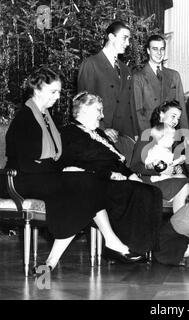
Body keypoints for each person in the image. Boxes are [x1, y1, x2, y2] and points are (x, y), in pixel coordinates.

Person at [1, 67, 138, 271]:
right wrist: (64, 172)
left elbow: (55, 159)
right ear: (37, 90)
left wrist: (68, 169)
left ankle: (50, 264)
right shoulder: (24, 118)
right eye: (53, 92)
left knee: (88, 186)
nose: (57, 97)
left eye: (59, 92)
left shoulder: (47, 119)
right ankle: (110, 241)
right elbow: (24, 161)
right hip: (21, 178)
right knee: (86, 184)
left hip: (42, 177)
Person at [60, 92, 164, 256]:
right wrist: (110, 174)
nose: (102, 116)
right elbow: (79, 163)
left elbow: (117, 161)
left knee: (153, 191)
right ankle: (122, 249)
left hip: (115, 179)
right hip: (96, 183)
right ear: (84, 110)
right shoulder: (69, 133)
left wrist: (132, 175)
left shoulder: (100, 134)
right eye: (99, 110)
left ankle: (145, 248)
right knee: (137, 192)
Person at [77, 21, 138, 164]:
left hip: (122, 139)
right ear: (111, 37)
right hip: (98, 137)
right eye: (125, 38)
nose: (128, 43)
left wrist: (132, 137)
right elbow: (83, 105)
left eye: (129, 39)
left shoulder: (125, 69)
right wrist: (102, 129)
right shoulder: (91, 64)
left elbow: (128, 106)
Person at [130, 100, 189, 213]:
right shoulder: (148, 135)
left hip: (167, 179)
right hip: (149, 180)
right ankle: (178, 224)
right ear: (161, 114)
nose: (176, 121)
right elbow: (135, 166)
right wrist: (160, 170)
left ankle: (186, 223)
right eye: (173, 116)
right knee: (184, 187)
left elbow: (173, 161)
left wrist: (176, 169)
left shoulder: (172, 138)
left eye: (178, 118)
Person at [131, 34, 189, 143]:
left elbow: (181, 106)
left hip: (172, 135)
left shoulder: (174, 75)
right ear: (148, 51)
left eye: (162, 49)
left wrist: (186, 134)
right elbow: (138, 111)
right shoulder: (138, 77)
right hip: (150, 134)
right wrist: (147, 137)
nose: (159, 53)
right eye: (155, 49)